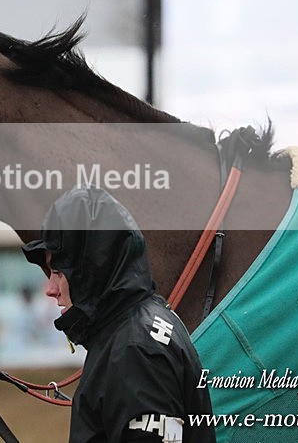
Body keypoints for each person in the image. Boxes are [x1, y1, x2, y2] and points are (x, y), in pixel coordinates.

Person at [23, 186, 216, 442]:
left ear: (92, 269)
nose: (50, 289)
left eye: (58, 272)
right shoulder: (138, 326)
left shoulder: (134, 349)